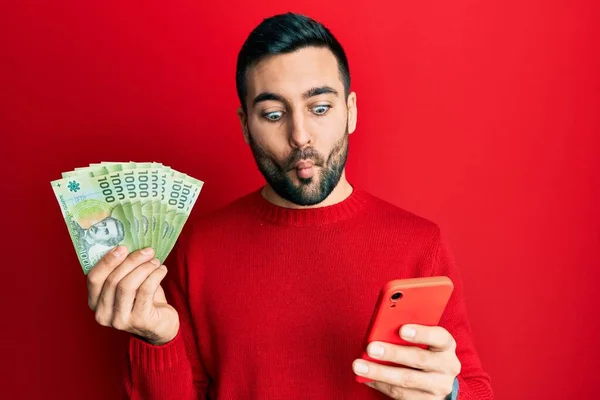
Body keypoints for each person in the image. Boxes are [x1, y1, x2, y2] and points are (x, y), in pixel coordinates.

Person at [86, 12, 494, 400]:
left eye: (320, 108)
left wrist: (448, 392)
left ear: (350, 112)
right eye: (274, 114)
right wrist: (158, 340)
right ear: (246, 126)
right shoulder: (200, 247)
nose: (300, 135)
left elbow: (473, 386)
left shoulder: (419, 242)